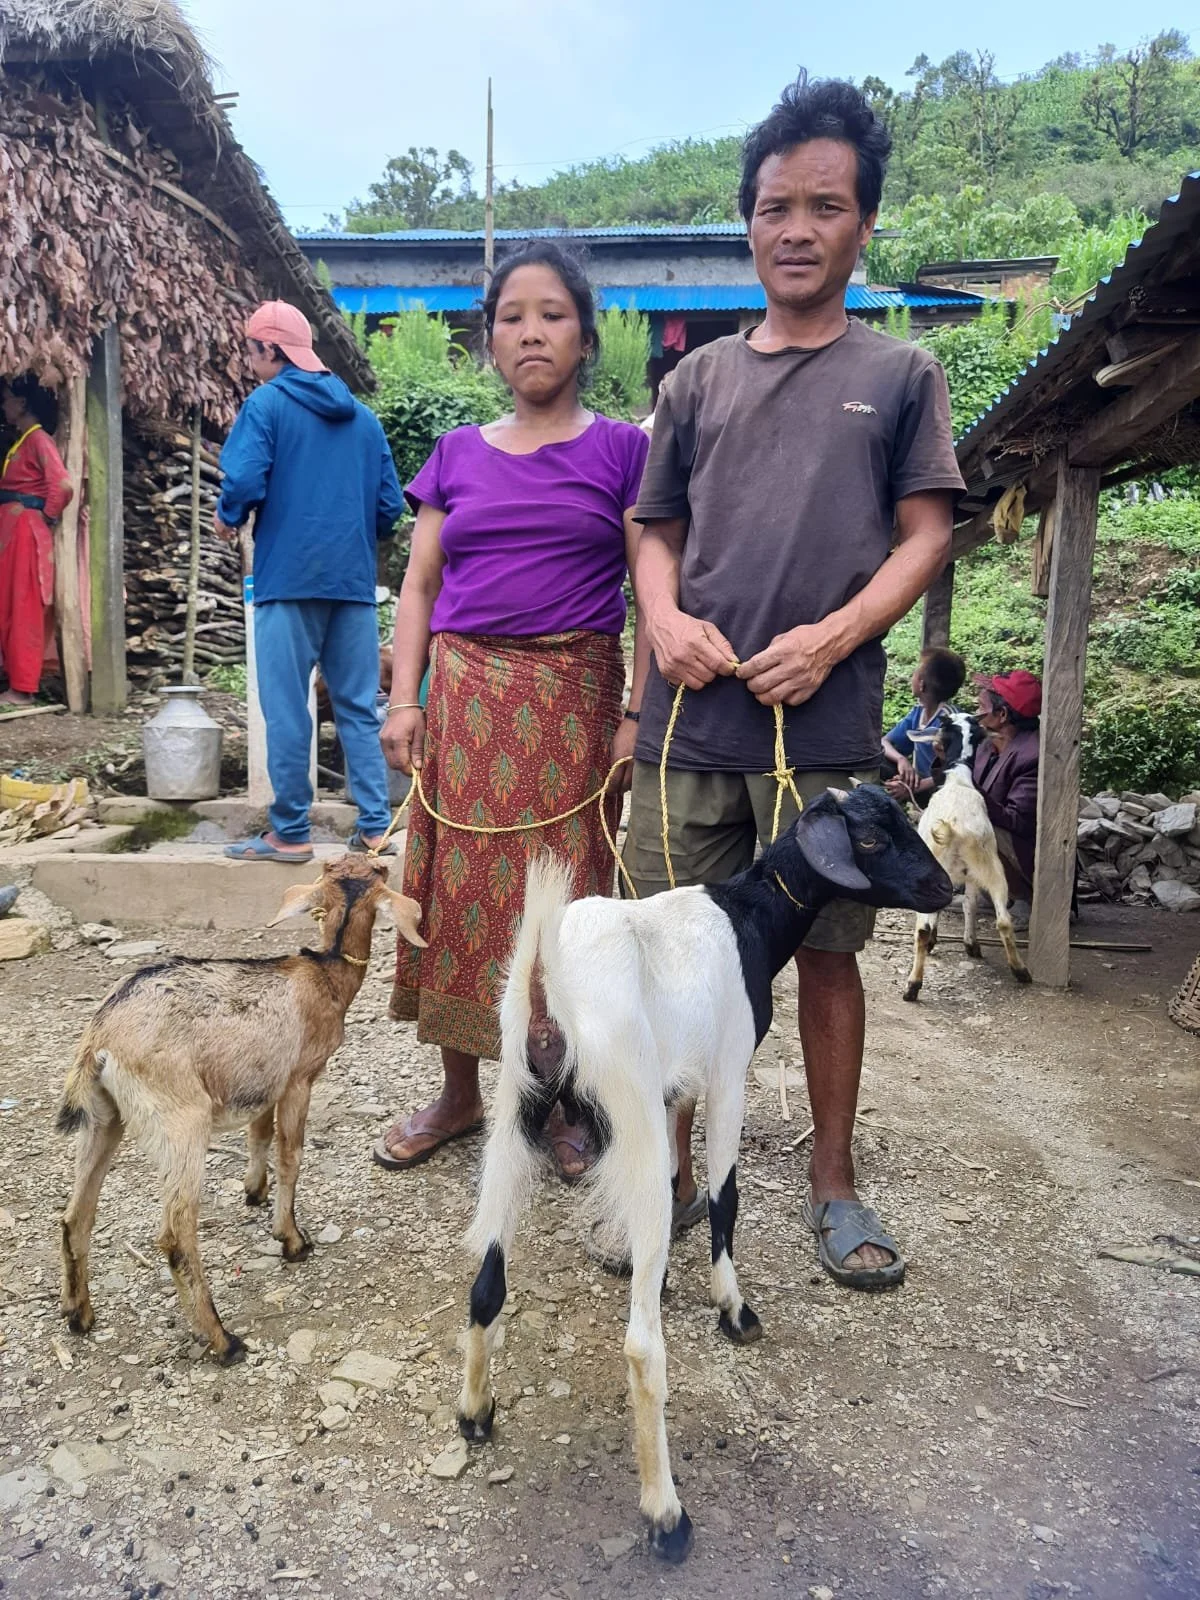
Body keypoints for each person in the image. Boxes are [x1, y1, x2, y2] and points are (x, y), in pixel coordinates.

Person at [624, 73, 965, 1289]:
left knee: (825, 949)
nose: (797, 228)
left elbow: (927, 533)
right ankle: (664, 1172)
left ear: (862, 221)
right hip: (688, 725)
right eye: (776, 206)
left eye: (825, 205)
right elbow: (652, 528)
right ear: (749, 222)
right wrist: (662, 618)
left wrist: (828, 640)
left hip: (820, 731)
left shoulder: (902, 373)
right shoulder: (696, 381)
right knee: (670, 958)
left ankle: (831, 1177)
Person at [374, 241, 650, 1180]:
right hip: (462, 703)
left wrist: (635, 712)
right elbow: (418, 585)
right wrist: (403, 702)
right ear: (489, 339)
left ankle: (564, 1102)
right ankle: (460, 1094)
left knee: (566, 906)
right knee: (454, 894)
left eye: (553, 314)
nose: (531, 331)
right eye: (511, 316)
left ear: (584, 334)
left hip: (572, 707)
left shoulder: (623, 451)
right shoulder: (453, 454)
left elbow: (653, 590)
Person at [214, 301, 404, 862]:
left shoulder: (266, 405)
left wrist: (229, 516)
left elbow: (244, 476)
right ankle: (374, 827)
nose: (248, 362)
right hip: (351, 585)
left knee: (288, 706)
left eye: (251, 350)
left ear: (271, 350)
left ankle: (290, 832)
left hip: (287, 581)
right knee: (358, 704)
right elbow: (390, 506)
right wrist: (347, 535)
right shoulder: (364, 420)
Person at [0, 376, 72, 708]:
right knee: (9, 604)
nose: (4, 405)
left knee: (24, 605)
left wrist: (47, 515)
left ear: (23, 404)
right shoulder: (24, 440)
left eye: (8, 399)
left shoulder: (39, 440)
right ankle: (16, 680)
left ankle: (24, 687)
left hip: (27, 532)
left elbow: (62, 485)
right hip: (14, 531)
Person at [973, 669, 1041, 927]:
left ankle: (1023, 897)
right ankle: (986, 891)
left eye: (981, 707)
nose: (976, 713)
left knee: (978, 826)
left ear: (1001, 715)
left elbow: (1018, 821)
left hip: (1025, 849)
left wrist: (969, 791)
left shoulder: (1032, 755)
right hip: (997, 829)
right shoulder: (987, 744)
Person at [882, 646, 966, 804]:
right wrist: (902, 760)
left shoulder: (951, 721)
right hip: (921, 784)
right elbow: (884, 742)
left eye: (915, 673)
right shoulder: (918, 713)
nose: (911, 677)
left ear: (921, 685)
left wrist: (913, 788)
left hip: (944, 790)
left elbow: (957, 769)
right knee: (881, 761)